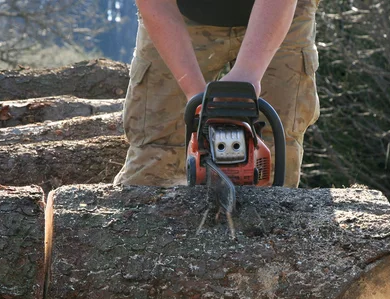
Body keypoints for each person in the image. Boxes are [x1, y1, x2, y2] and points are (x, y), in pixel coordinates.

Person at [113, 0, 320, 188]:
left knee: (272, 153)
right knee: (157, 152)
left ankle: (264, 224)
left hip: (281, 11)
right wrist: (194, 91)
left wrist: (248, 73)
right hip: (180, 12)